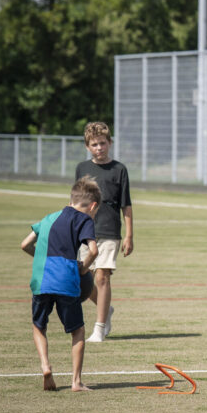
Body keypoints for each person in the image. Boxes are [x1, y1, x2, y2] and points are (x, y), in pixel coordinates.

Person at [20, 176, 101, 392]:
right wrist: (83, 269)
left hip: (41, 279)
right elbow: (93, 251)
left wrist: (42, 258)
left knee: (39, 326)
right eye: (95, 212)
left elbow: (25, 244)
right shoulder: (84, 220)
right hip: (66, 279)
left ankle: (46, 366)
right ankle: (76, 382)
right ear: (92, 206)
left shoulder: (49, 218)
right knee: (78, 331)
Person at [75, 121, 134, 343]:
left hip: (110, 230)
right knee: (83, 279)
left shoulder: (119, 169)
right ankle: (106, 309)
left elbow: (126, 205)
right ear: (87, 146)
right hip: (85, 230)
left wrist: (129, 235)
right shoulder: (82, 168)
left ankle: (99, 328)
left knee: (102, 277)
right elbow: (76, 202)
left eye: (102, 143)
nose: (99, 147)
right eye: (94, 144)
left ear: (110, 143)